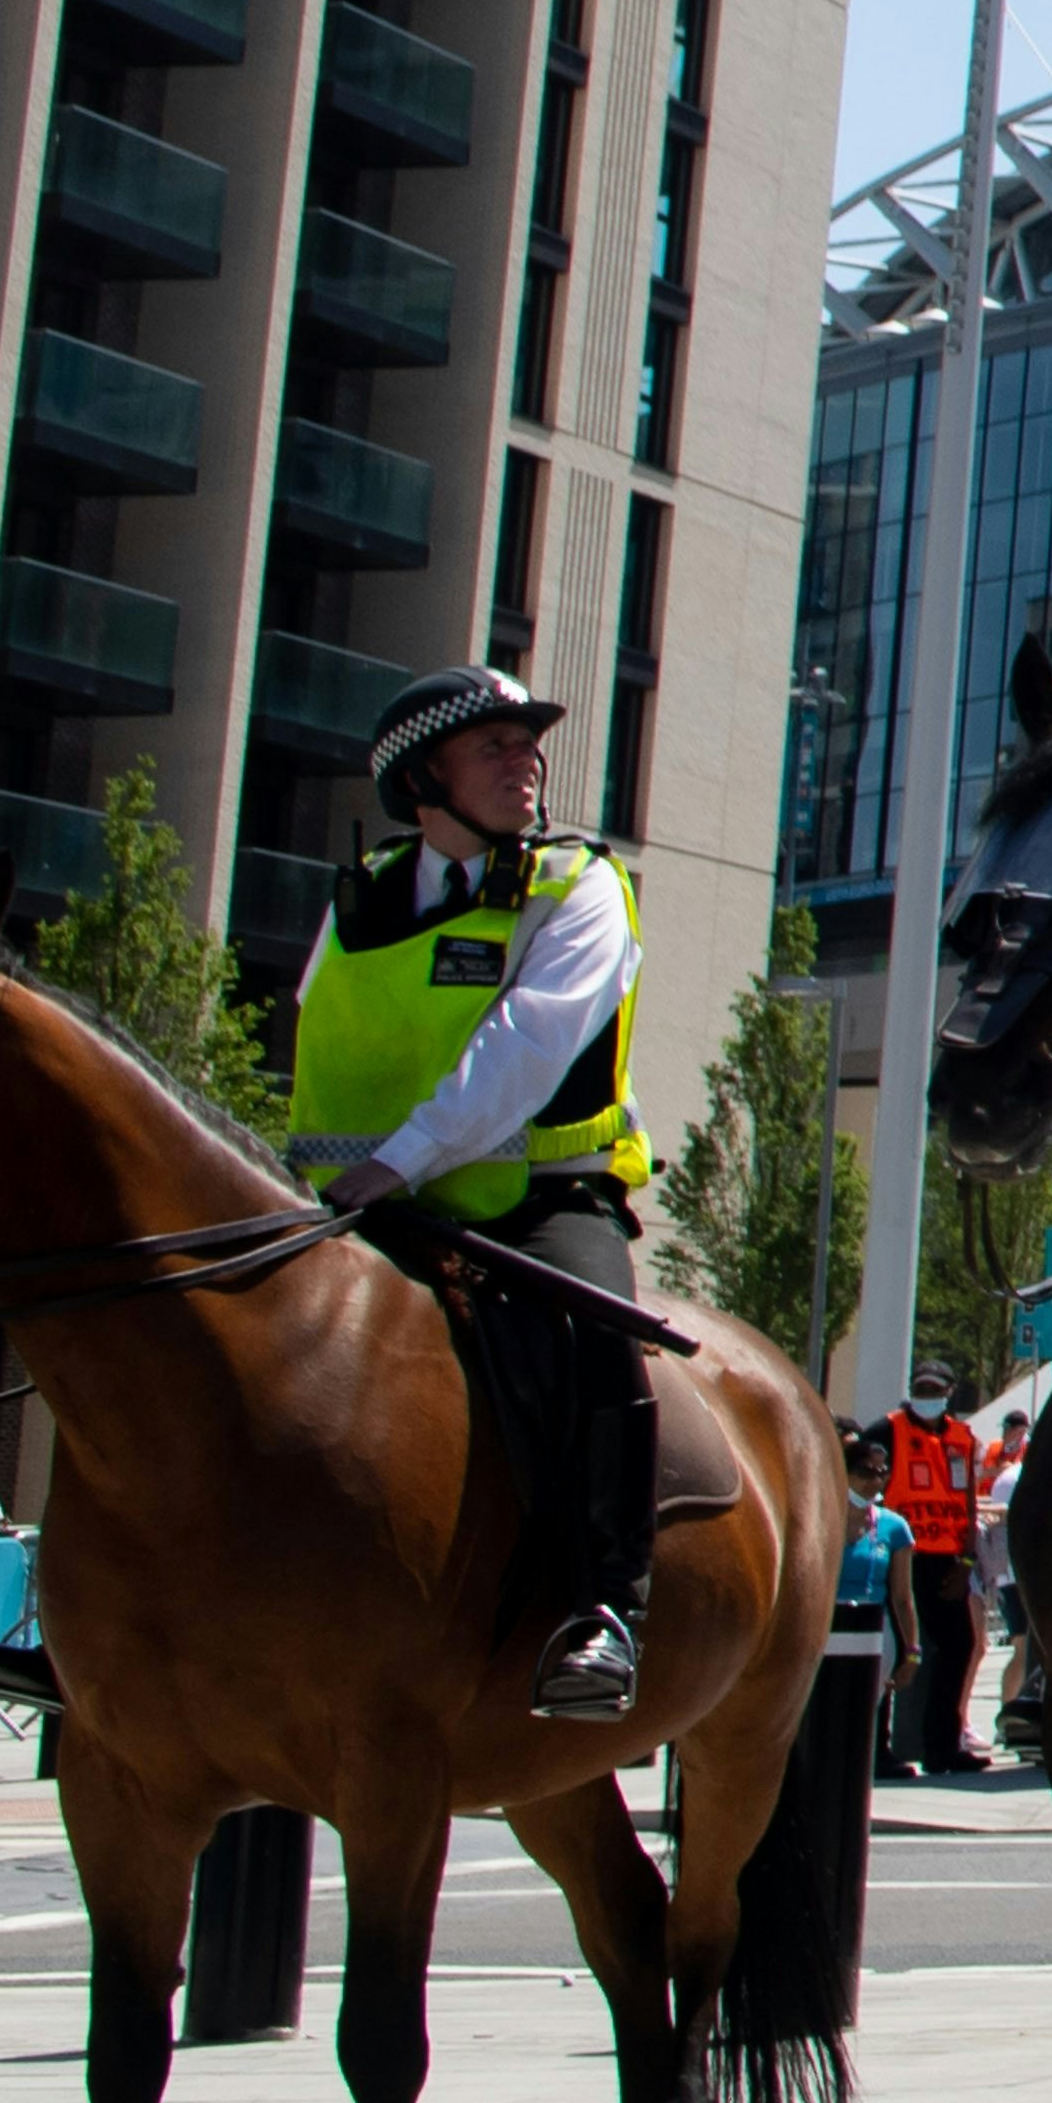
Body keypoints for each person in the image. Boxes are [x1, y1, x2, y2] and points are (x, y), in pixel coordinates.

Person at [289, 659, 663, 1722]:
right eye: (495, 745)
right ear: (422, 779)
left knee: (601, 1335)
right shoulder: (356, 898)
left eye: (531, 742)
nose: (528, 760)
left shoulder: (578, 883)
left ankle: (605, 1610)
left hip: (540, 1198)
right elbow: (321, 1038)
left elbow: (522, 1050)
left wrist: (389, 1165)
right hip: (364, 1198)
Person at [872, 1363, 990, 1773]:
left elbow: (969, 1503)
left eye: (935, 1389)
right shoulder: (887, 1431)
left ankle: (943, 1746)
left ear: (950, 1392)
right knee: (891, 1650)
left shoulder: (962, 1438)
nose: (928, 1395)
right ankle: (876, 1751)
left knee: (959, 1647)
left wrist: (968, 1561)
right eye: (921, 1388)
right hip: (900, 1556)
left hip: (947, 1562)